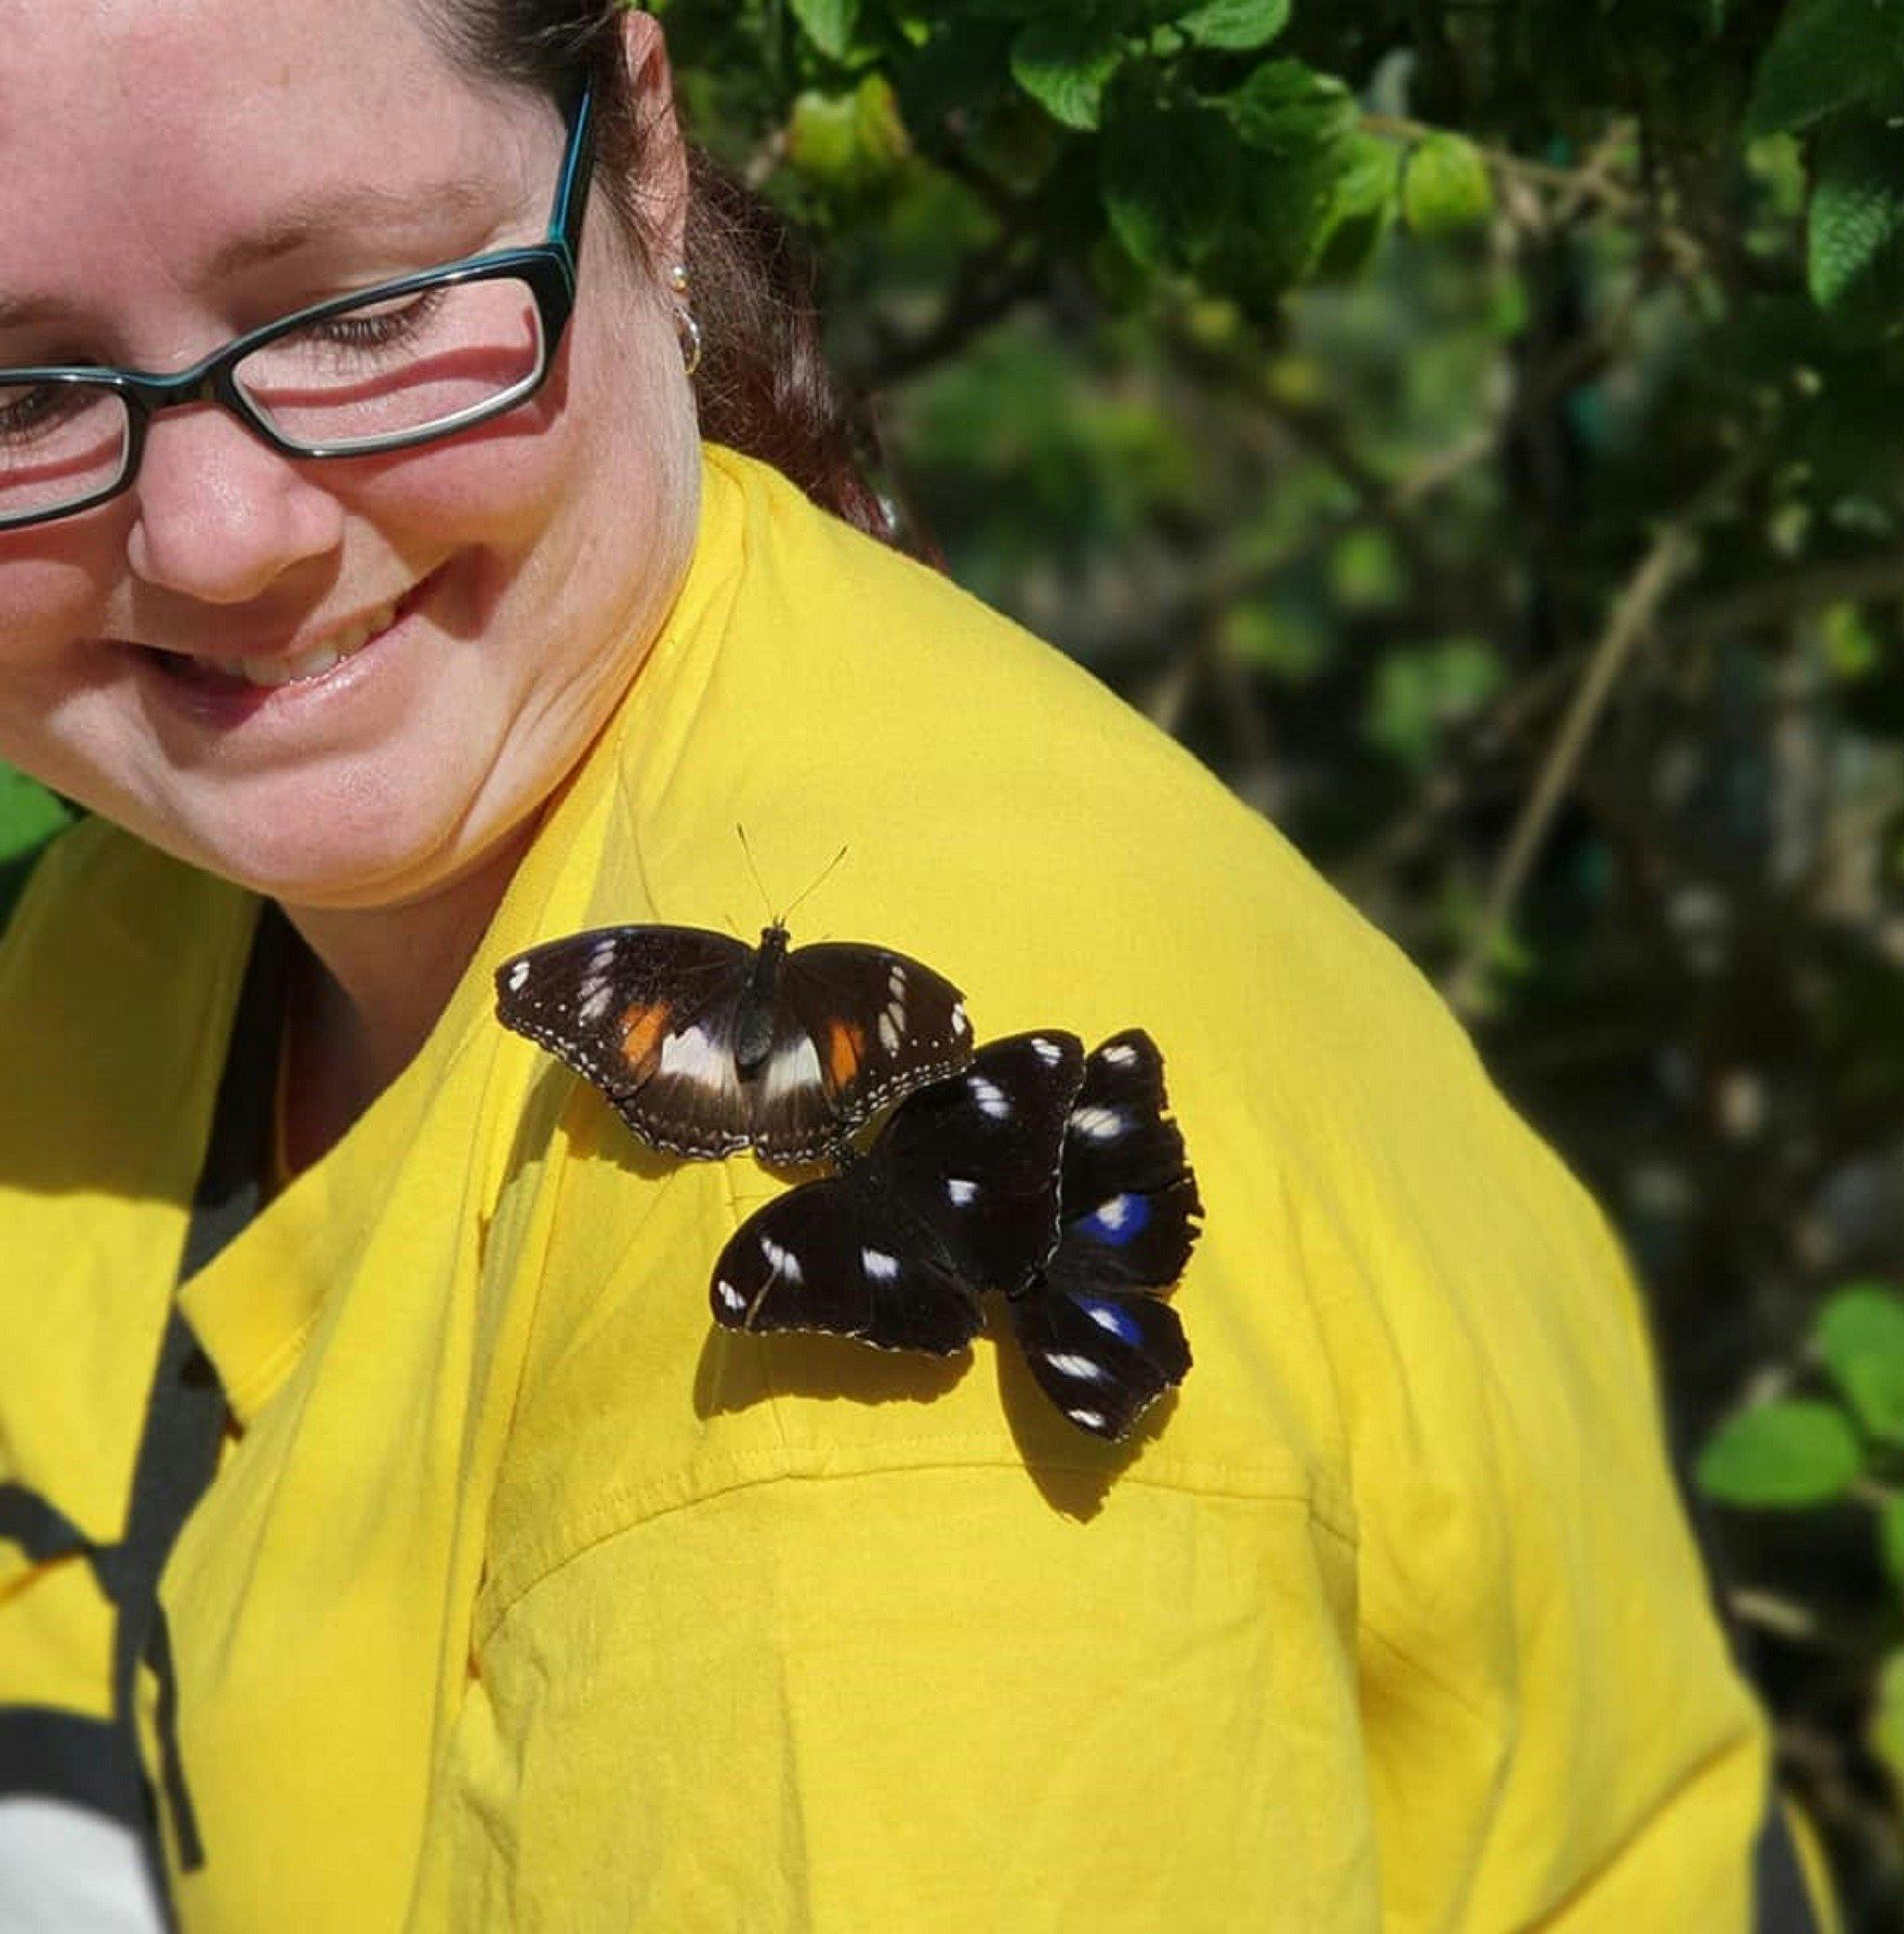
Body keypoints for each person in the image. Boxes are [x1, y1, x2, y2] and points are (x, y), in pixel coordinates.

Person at [0, 4, 1831, 1928]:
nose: (214, 534)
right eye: (22, 388)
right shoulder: (143, 938)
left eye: (365, 312)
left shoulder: (822, 1488)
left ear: (639, 145)